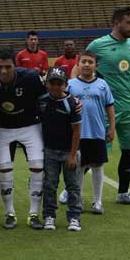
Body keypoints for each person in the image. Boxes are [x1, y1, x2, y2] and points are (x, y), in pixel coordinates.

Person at [75, 6, 130, 205]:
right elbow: (77, 69)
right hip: (104, 110)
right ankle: (71, 190)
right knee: (94, 152)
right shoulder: (98, 45)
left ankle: (123, 194)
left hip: (129, 107)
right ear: (117, 23)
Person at [0, 48, 48, 230]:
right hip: (4, 128)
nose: (4, 71)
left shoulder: (30, 77)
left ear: (15, 65)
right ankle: (9, 213)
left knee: (38, 167)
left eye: (8, 67)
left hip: (30, 125)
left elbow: (46, 96)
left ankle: (34, 214)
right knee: (5, 170)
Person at [62, 50, 115, 214]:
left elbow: (110, 106)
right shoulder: (70, 84)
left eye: (90, 62)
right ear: (78, 64)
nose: (86, 65)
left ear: (96, 65)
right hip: (77, 134)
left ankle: (97, 201)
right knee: (79, 167)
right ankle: (78, 200)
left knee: (98, 166)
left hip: (97, 132)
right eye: (83, 61)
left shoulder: (102, 84)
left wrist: (112, 127)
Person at [39, 67, 82, 231]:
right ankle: (49, 216)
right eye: (52, 83)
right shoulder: (42, 101)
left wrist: (72, 155)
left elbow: (76, 131)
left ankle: (74, 217)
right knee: (49, 184)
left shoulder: (72, 103)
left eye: (59, 83)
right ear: (47, 84)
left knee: (73, 185)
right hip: (50, 151)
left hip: (69, 151)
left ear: (65, 85)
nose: (55, 87)